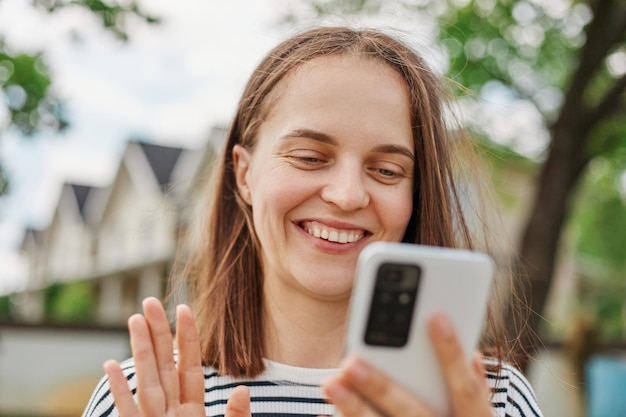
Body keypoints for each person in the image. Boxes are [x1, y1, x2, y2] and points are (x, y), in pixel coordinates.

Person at [82, 26, 543, 417]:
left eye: (387, 170)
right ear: (243, 175)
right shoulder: (141, 398)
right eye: (308, 157)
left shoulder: (491, 401)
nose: (346, 195)